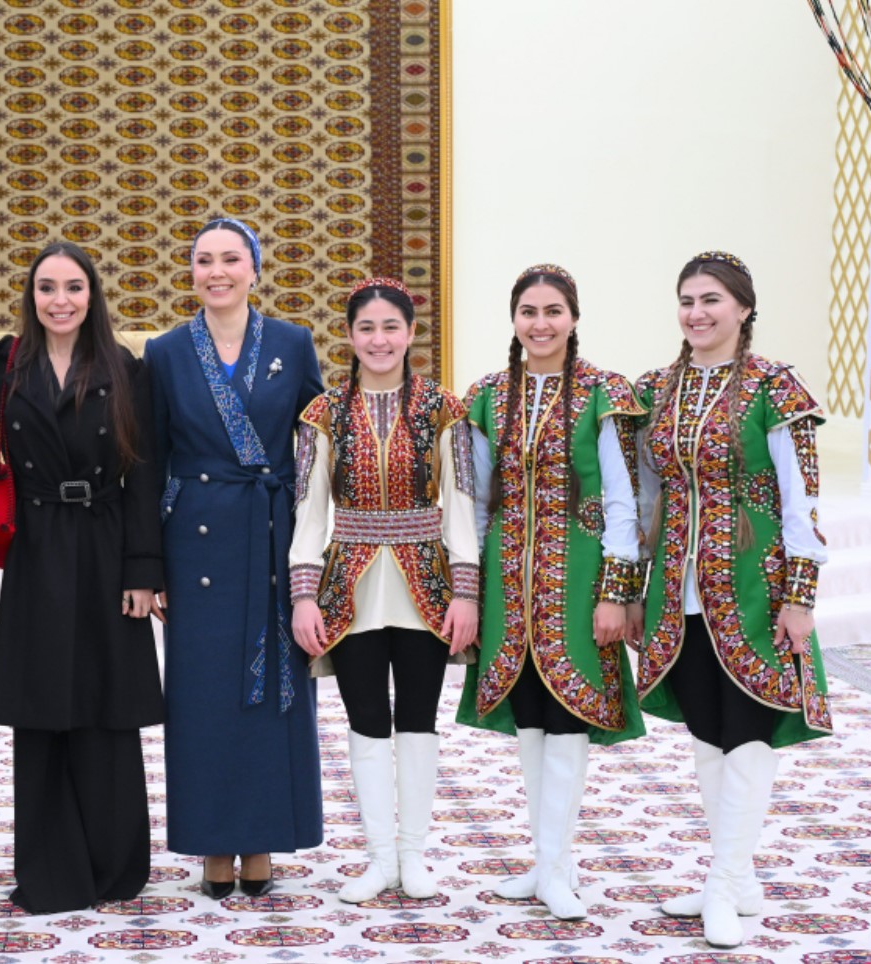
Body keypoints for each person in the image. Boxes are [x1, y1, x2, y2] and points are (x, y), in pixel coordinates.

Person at [629, 251, 831, 949]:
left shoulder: (775, 388)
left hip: (752, 588)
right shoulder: (656, 390)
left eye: (711, 299)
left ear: (743, 308)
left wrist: (799, 597)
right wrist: (634, 589)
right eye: (687, 300)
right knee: (708, 733)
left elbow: (802, 501)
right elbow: (646, 497)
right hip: (677, 592)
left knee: (747, 733)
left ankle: (722, 884)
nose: (697, 313)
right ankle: (735, 877)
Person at [0, 241, 164, 913]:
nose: (60, 300)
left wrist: (143, 569)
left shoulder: (125, 368)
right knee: (42, 706)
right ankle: (51, 869)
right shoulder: (7, 363)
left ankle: (115, 863)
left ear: (91, 295)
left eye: (73, 287)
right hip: (37, 544)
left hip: (107, 541)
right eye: (47, 287)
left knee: (108, 706)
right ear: (31, 295)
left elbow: (144, 472)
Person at [455, 264, 645, 921]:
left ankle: (558, 868)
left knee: (567, 726)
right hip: (507, 583)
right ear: (513, 319)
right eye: (528, 312)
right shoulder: (486, 396)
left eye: (553, 311)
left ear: (573, 317)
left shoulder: (604, 393)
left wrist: (615, 591)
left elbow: (621, 501)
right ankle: (544, 862)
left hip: (580, 581)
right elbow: (476, 503)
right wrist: (471, 590)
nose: (540, 324)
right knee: (530, 722)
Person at [145, 216, 325, 898]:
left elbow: (316, 444)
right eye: (203, 260)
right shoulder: (164, 352)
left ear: (254, 268)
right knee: (202, 696)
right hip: (193, 541)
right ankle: (212, 842)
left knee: (274, 694)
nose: (216, 272)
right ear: (191, 272)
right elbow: (151, 458)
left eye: (229, 259)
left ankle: (263, 839)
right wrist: (148, 565)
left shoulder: (291, 342)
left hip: (272, 536)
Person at [288, 278, 479, 903]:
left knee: (419, 720)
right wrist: (304, 594)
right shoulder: (322, 413)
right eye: (366, 328)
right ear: (349, 335)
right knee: (366, 720)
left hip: (426, 585)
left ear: (411, 332)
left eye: (391, 327)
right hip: (351, 588)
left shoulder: (445, 409)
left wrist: (465, 591)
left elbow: (461, 504)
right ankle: (378, 858)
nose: (379, 339)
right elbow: (309, 510)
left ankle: (414, 854)